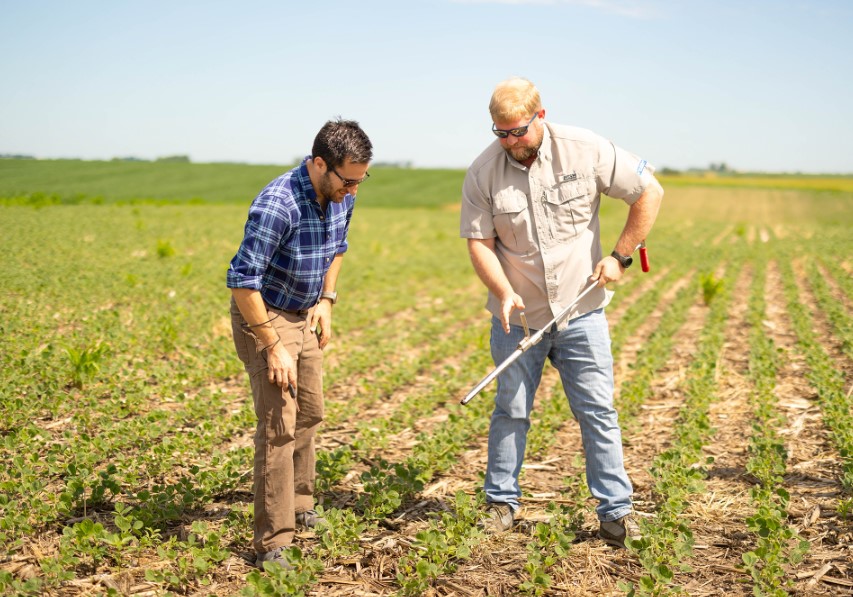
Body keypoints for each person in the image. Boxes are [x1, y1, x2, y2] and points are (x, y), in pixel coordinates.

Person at [459, 77, 663, 548]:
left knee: (597, 411)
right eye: (501, 133)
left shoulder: (584, 148)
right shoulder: (482, 172)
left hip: (581, 311)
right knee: (510, 410)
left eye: (519, 131)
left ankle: (616, 513)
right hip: (519, 317)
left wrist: (621, 255)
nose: (511, 142)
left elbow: (648, 192)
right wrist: (502, 290)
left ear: (540, 116)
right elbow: (479, 243)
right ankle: (500, 505)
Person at [226, 118, 372, 569]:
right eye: (347, 179)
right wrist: (272, 346)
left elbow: (338, 247)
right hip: (265, 315)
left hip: (305, 310)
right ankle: (273, 541)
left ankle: (301, 505)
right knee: (278, 425)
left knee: (310, 411)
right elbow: (242, 282)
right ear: (318, 164)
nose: (353, 189)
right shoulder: (278, 204)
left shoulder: (341, 193)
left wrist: (327, 299)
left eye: (361, 180)